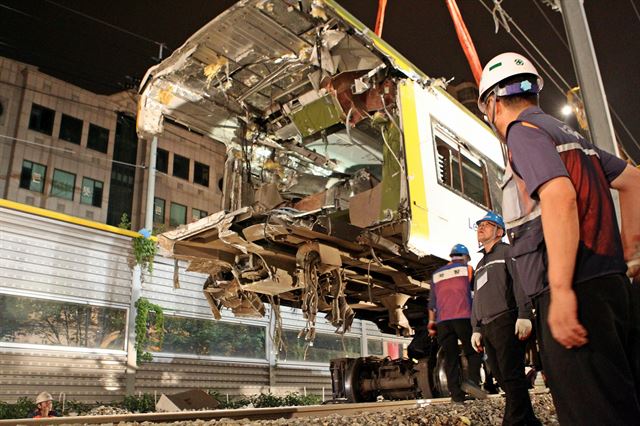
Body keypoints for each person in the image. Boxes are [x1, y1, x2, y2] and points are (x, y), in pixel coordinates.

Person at [477, 51, 640, 424]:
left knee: (591, 412)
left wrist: (563, 290)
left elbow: (559, 196)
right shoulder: (567, 135)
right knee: (620, 401)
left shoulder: (523, 132)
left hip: (575, 288)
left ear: (492, 102)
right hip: (612, 285)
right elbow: (634, 182)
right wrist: (632, 257)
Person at [470, 211, 541, 425]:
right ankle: (529, 421)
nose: (481, 228)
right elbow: (477, 298)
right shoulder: (481, 264)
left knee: (511, 375)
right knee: (503, 377)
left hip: (505, 320)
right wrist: (476, 328)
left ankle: (514, 421)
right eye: (479, 225)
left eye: (487, 225)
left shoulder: (508, 252)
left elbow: (520, 283)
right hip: (488, 325)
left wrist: (524, 314)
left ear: (499, 231)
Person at [428, 244, 486, 403]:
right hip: (463, 316)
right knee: (473, 351)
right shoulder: (467, 269)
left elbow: (432, 303)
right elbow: (477, 292)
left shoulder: (436, 274)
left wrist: (431, 323)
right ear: (465, 257)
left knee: (450, 358)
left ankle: (456, 396)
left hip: (443, 321)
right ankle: (473, 382)